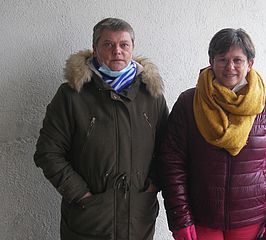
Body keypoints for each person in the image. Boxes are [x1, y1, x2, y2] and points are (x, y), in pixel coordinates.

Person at [34, 18, 168, 240]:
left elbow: (168, 149)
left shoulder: (151, 95)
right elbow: (48, 152)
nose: (117, 51)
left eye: (124, 44)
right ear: (95, 48)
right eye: (108, 44)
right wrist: (81, 195)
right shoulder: (71, 95)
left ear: (132, 48)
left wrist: (153, 185)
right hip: (89, 221)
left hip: (138, 219)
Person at [160, 28, 266, 240]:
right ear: (211, 61)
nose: (230, 67)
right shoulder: (189, 103)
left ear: (250, 64)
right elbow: (172, 163)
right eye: (222, 59)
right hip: (201, 221)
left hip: (253, 222)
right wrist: (180, 219)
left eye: (237, 60)